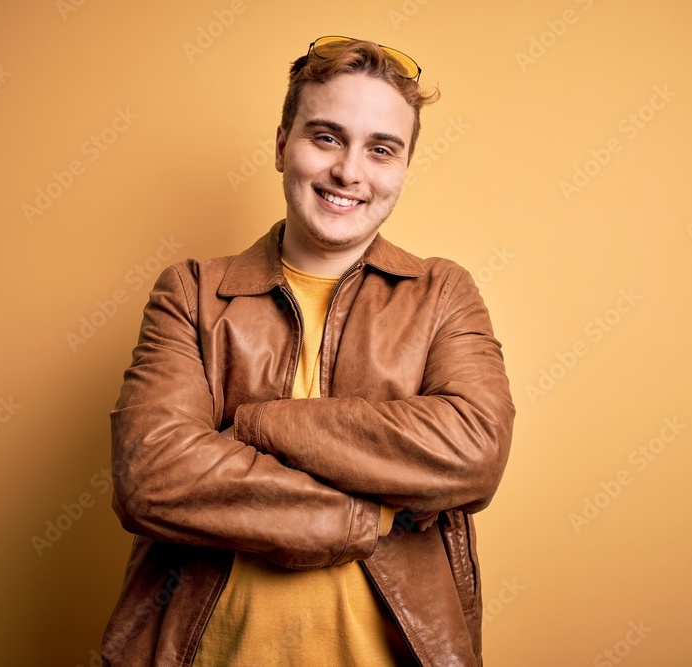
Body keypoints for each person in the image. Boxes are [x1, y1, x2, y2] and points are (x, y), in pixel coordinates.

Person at [102, 35, 514, 666]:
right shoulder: (192, 292)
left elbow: (474, 449)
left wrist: (254, 424)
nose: (349, 171)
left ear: (403, 167)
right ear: (281, 146)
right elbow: (152, 476)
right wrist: (370, 516)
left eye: (381, 149)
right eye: (326, 137)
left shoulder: (442, 293)